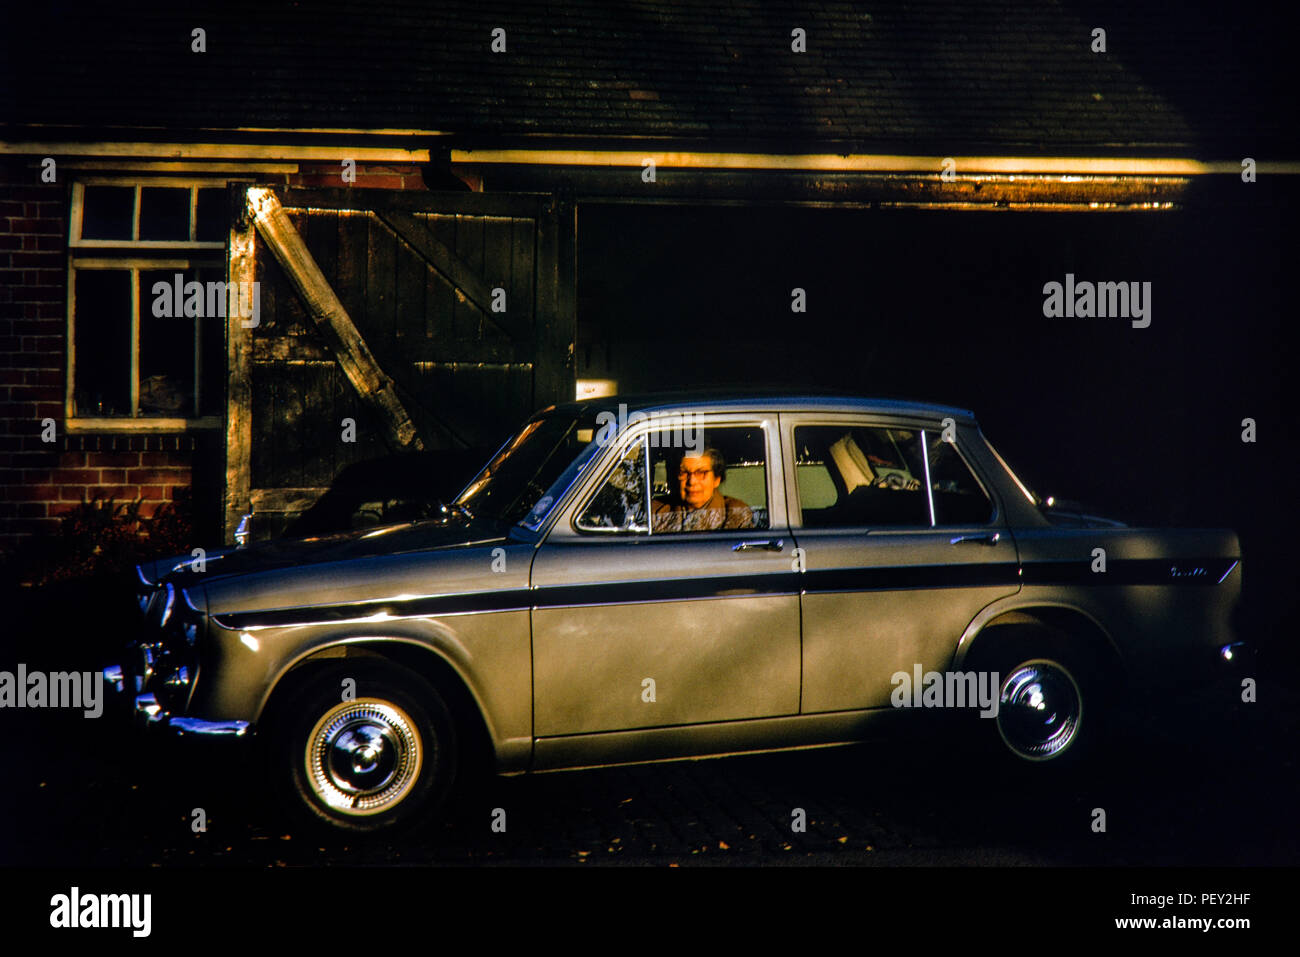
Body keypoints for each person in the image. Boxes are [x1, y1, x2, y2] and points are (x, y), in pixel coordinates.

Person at [652, 448, 754, 532]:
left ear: (717, 479)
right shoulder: (656, 512)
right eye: (684, 473)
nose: (692, 481)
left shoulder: (737, 514)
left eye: (701, 473)